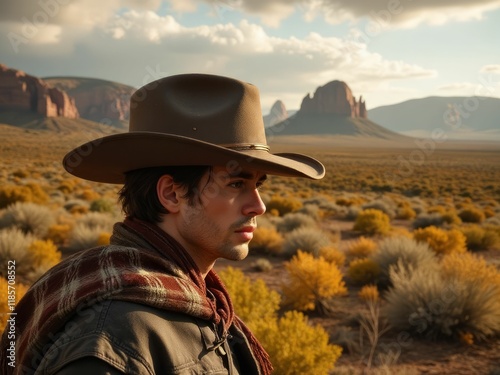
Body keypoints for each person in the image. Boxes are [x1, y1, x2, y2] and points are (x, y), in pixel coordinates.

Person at [0, 73, 325, 374]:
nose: (259, 206)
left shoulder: (203, 303)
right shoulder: (113, 340)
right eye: (237, 185)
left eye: (259, 185)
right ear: (171, 194)